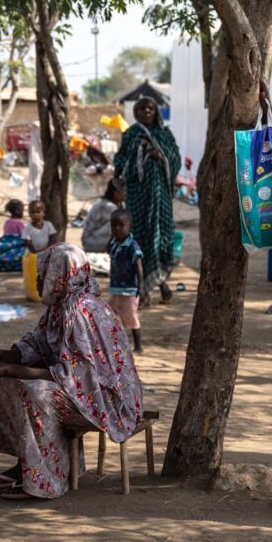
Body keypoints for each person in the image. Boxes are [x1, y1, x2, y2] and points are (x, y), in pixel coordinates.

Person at [0, 244, 143, 500]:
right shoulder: (60, 308)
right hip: (81, 393)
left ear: (61, 276)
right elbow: (35, 346)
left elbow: (76, 378)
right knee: (2, 381)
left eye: (43, 274)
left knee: (35, 393)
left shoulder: (82, 312)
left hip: (106, 401)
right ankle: (26, 463)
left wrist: (10, 367)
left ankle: (46, 481)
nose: (37, 280)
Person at [113, 98, 181, 303]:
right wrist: (118, 177)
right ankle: (143, 288)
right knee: (140, 237)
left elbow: (175, 158)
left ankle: (161, 284)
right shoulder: (131, 134)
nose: (146, 111)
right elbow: (121, 159)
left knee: (161, 237)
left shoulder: (165, 134)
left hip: (161, 198)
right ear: (136, 112)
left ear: (156, 111)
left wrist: (160, 156)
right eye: (142, 108)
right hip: (138, 196)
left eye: (150, 108)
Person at [107, 209, 145, 353]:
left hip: (129, 288)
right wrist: (110, 238)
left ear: (129, 227)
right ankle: (113, 342)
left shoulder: (132, 245)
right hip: (116, 287)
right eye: (113, 226)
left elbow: (138, 266)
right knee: (108, 313)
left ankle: (138, 346)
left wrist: (141, 286)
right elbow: (107, 251)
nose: (117, 229)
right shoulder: (115, 243)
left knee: (131, 317)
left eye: (121, 225)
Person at [82, 179, 124, 253]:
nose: (124, 194)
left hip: (92, 239)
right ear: (116, 193)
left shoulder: (112, 204)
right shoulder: (107, 206)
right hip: (92, 242)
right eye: (122, 192)